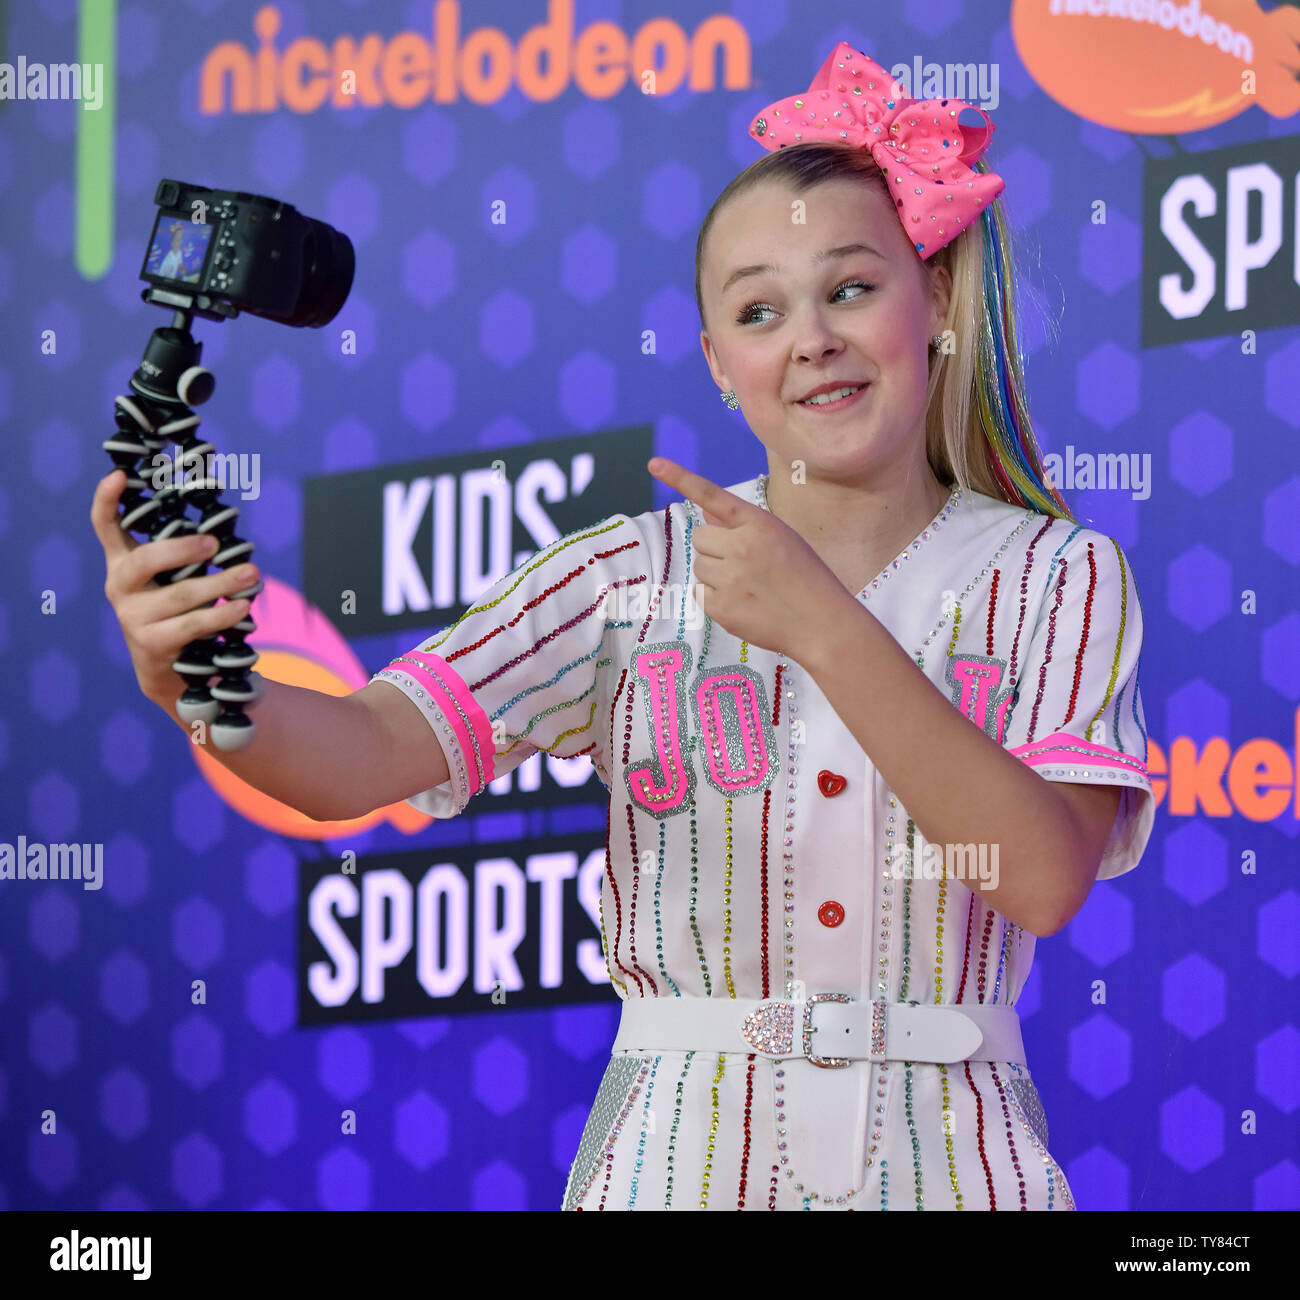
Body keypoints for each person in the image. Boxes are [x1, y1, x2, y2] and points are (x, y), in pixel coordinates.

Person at [94, 43, 1153, 1211]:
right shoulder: (623, 576)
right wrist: (195, 685)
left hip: (960, 1169)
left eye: (850, 286)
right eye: (760, 310)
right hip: (677, 1167)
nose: (812, 337)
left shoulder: (1059, 572)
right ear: (717, 364)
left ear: (937, 299)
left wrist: (824, 627)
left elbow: (1045, 880)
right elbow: (356, 754)